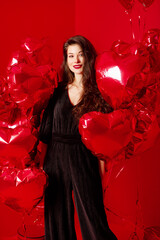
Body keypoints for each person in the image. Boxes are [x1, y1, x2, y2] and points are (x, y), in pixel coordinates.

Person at [39, 35, 117, 240]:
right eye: (71, 55)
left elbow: (102, 138)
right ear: (66, 60)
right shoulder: (56, 92)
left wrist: (102, 171)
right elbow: (46, 135)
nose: (76, 60)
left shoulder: (98, 93)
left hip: (84, 157)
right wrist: (40, 167)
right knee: (56, 218)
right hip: (55, 159)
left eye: (80, 55)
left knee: (93, 216)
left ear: (88, 57)